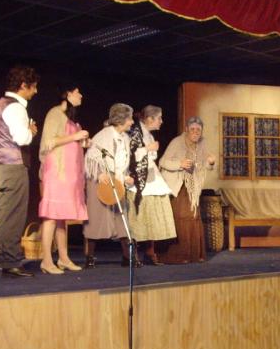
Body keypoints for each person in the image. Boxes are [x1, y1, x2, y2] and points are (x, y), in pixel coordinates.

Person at [0, 65, 39, 278]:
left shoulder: (1, 104)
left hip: (3, 167)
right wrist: (31, 131)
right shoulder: (15, 107)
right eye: (33, 86)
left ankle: (6, 261)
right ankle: (10, 262)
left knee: (6, 214)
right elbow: (22, 138)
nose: (35, 91)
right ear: (23, 85)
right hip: (13, 166)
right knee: (13, 215)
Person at [37, 85, 90, 274]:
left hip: (69, 175)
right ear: (68, 94)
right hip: (57, 172)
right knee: (52, 215)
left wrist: (83, 142)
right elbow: (48, 142)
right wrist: (75, 136)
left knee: (62, 217)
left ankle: (64, 258)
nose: (81, 95)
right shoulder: (55, 113)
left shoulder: (70, 118)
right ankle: (46, 260)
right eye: (77, 92)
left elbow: (69, 142)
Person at [82, 103, 137, 268]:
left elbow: (120, 163)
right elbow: (90, 158)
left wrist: (125, 177)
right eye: (130, 119)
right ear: (121, 120)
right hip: (101, 180)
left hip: (116, 181)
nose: (132, 122)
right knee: (96, 218)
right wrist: (100, 174)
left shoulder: (125, 138)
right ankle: (89, 257)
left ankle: (128, 257)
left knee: (122, 218)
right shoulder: (103, 136)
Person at [158, 116, 216, 264]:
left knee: (193, 217)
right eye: (192, 129)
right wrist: (180, 164)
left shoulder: (202, 143)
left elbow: (204, 164)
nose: (195, 132)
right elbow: (163, 162)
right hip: (178, 186)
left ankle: (194, 255)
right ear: (186, 130)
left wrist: (210, 163)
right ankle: (178, 255)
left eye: (198, 130)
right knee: (182, 217)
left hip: (193, 187)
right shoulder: (177, 142)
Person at [126, 105, 176, 265]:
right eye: (159, 118)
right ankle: (132, 255)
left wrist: (150, 150)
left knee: (152, 217)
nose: (161, 121)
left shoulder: (149, 134)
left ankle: (150, 252)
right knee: (137, 219)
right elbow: (130, 155)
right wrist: (147, 148)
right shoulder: (135, 132)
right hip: (138, 179)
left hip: (151, 176)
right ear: (149, 119)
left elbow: (150, 156)